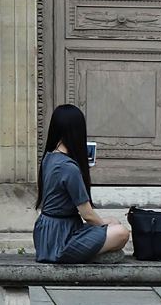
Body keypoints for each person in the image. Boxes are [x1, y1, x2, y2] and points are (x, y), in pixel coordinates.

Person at [34, 104, 129, 263]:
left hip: (49, 233)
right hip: (61, 241)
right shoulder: (69, 168)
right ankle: (91, 255)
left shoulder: (49, 157)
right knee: (122, 232)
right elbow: (88, 215)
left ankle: (92, 251)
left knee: (114, 221)